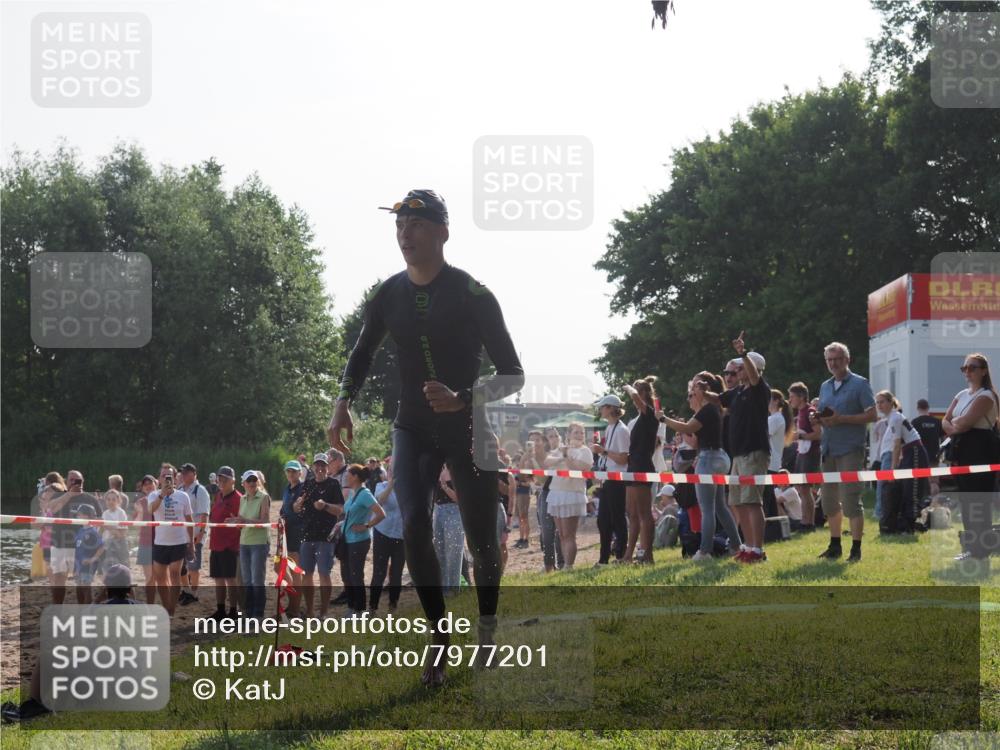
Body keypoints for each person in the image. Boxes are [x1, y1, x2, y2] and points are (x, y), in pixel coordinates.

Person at [329, 189, 523, 686]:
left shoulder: (472, 293)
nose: (404, 234)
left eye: (415, 225)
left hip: (469, 425)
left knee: (482, 541)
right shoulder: (387, 293)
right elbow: (361, 351)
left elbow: (513, 374)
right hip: (412, 425)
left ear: (442, 231)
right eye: (399, 226)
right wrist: (342, 402)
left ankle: (487, 631)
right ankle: (439, 639)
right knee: (413, 523)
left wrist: (463, 396)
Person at [704, 334, 771, 563]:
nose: (737, 372)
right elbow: (718, 398)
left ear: (752, 368)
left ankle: (758, 550)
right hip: (739, 454)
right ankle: (748, 546)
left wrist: (744, 353)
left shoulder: (758, 388)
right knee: (737, 502)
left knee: (752, 502)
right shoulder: (738, 392)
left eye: (740, 368)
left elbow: (753, 377)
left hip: (754, 451)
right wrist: (702, 391)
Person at [661, 372, 742, 561]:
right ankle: (737, 545)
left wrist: (663, 419)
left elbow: (688, 429)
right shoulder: (714, 409)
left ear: (705, 389)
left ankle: (705, 551)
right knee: (720, 507)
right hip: (720, 457)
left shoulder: (707, 409)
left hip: (708, 458)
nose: (692, 392)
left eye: (695, 387)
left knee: (707, 509)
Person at [812, 341, 877, 563]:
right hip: (828, 449)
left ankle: (856, 549)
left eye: (837, 359)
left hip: (850, 448)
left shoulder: (860, 384)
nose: (833, 364)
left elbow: (872, 415)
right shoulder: (824, 386)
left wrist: (842, 419)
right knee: (828, 502)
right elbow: (825, 413)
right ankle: (835, 545)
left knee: (850, 500)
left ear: (847, 360)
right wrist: (817, 417)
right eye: (829, 360)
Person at [942, 353, 1000, 565]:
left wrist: (956, 425)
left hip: (980, 450)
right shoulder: (961, 394)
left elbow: (964, 424)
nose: (967, 371)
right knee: (966, 500)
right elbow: (946, 422)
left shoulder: (986, 396)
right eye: (964, 368)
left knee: (978, 502)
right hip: (962, 450)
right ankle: (971, 548)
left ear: (983, 370)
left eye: (972, 367)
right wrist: (954, 425)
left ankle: (980, 551)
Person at [294, 453, 345, 618]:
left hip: (326, 537)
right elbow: (296, 508)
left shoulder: (333, 484)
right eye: (317, 465)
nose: (320, 468)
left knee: (324, 574)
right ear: (313, 467)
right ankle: (309, 611)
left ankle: (323, 612)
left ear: (327, 467)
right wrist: (297, 505)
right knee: (306, 574)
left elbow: (340, 510)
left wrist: (325, 506)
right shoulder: (307, 485)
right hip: (307, 535)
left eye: (323, 465)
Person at [335, 464, 385, 616]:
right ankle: (351, 607)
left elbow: (381, 514)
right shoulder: (352, 493)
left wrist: (366, 525)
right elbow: (347, 513)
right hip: (347, 540)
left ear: (355, 477)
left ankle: (359, 609)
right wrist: (341, 523)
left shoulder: (365, 494)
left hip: (359, 541)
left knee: (356, 575)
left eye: (348, 475)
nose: (346, 478)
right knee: (347, 575)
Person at [542, 422, 593, 569]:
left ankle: (569, 566)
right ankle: (565, 565)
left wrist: (565, 456)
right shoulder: (561, 449)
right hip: (556, 493)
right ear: (568, 435)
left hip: (572, 494)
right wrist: (561, 456)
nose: (579, 435)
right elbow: (546, 462)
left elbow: (579, 468)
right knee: (562, 534)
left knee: (569, 534)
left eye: (581, 433)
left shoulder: (585, 451)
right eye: (576, 432)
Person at [46, 470, 101, 605]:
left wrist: (92, 538)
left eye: (78, 480)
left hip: (82, 545)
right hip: (60, 543)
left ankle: (83, 611)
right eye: (71, 480)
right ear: (66, 482)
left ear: (83, 482)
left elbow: (100, 519)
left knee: (81, 580)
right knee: (59, 578)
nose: (75, 483)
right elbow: (50, 509)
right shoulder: (60, 496)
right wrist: (69, 494)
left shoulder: (90, 499)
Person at [623, 377, 659, 564]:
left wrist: (629, 388)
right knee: (632, 514)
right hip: (632, 466)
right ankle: (628, 555)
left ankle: (647, 555)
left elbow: (636, 397)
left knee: (644, 514)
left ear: (645, 393)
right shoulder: (637, 419)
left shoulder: (650, 414)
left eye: (638, 390)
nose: (633, 394)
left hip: (642, 466)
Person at [225, 470, 270, 620]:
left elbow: (265, 522)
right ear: (243, 483)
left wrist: (244, 521)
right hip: (244, 543)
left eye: (254, 480)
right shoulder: (243, 499)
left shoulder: (264, 497)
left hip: (259, 543)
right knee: (247, 580)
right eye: (249, 480)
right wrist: (236, 522)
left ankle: (258, 613)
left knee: (257, 580)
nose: (252, 483)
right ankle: (249, 612)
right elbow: (242, 523)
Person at [149, 467, 194, 616]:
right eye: (164, 476)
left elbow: (189, 520)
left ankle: (171, 609)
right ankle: (166, 605)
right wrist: (162, 494)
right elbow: (151, 510)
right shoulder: (154, 495)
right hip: (160, 542)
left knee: (175, 574)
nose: (167, 479)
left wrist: (191, 544)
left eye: (170, 476)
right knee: (160, 578)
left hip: (178, 541)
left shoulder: (183, 496)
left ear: (175, 478)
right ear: (159, 479)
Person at [591, 396, 630, 566]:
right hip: (609, 478)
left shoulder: (621, 430)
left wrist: (603, 451)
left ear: (610, 408)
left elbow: (623, 459)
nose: (600, 410)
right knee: (604, 520)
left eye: (602, 407)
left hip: (618, 480)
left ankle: (620, 556)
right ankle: (604, 558)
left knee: (617, 519)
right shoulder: (611, 427)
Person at [209, 466, 242, 623]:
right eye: (219, 479)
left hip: (230, 544)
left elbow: (241, 521)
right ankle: (221, 610)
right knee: (218, 578)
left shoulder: (238, 498)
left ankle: (234, 611)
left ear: (233, 480)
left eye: (225, 479)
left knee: (230, 579)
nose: (221, 482)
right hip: (216, 543)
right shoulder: (218, 496)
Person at [370, 466, 405, 612]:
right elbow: (379, 501)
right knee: (379, 571)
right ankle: (373, 607)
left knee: (396, 573)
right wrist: (391, 485)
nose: (393, 473)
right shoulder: (380, 486)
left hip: (401, 535)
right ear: (387, 473)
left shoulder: (407, 489)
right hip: (382, 533)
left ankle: (393, 604)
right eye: (391, 471)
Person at [788, 382, 820, 531]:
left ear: (801, 397)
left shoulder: (810, 411)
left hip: (810, 454)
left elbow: (819, 433)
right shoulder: (800, 412)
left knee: (806, 489)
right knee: (802, 488)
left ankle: (809, 522)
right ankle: (805, 520)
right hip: (802, 452)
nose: (790, 400)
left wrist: (801, 436)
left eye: (792, 396)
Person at [178, 463, 211, 606]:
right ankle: (186, 591)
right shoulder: (179, 489)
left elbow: (205, 514)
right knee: (181, 566)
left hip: (196, 533)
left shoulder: (200, 490)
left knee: (194, 566)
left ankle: (194, 593)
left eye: (186, 473)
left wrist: (201, 534)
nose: (183, 475)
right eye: (182, 473)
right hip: (180, 534)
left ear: (194, 473)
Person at [533, 429, 565, 572]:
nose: (553, 439)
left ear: (560, 437)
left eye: (555, 436)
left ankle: (563, 563)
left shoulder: (565, 452)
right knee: (547, 531)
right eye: (550, 436)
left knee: (561, 531)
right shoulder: (542, 456)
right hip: (546, 493)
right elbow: (540, 480)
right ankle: (549, 565)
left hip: (562, 492)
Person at [279, 460, 306, 618]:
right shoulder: (287, 489)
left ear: (300, 473)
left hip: (298, 532)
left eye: (294, 471)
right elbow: (286, 508)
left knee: (296, 572)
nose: (291, 474)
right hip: (287, 532)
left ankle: (295, 609)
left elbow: (298, 509)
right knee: (288, 570)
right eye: (288, 471)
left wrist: (288, 510)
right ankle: (292, 606)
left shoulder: (303, 488)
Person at [432, 467, 465, 595]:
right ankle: (443, 588)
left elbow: (460, 499)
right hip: (438, 511)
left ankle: (453, 588)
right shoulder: (435, 470)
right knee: (439, 550)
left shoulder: (456, 471)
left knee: (453, 552)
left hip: (454, 511)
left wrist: (444, 486)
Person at [874, 391, 904, 522]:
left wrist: (893, 467)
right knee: (883, 485)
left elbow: (897, 444)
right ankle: (884, 514)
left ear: (891, 402)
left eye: (882, 402)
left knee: (883, 486)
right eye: (877, 402)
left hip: (890, 456)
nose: (879, 405)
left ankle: (882, 514)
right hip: (887, 456)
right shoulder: (890, 418)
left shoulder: (896, 418)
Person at [765, 389, 794, 517]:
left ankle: (771, 527)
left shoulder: (775, 419)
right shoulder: (776, 418)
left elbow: (763, 435)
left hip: (770, 463)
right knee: (770, 498)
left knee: (767, 498)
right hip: (773, 462)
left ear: (776, 401)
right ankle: (774, 527)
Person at [132, 475, 158, 604]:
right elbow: (135, 525)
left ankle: (168, 606)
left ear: (156, 484)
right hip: (146, 543)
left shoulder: (163, 498)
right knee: (149, 578)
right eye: (145, 484)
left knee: (163, 577)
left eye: (150, 483)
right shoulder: (140, 502)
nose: (148, 485)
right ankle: (151, 604)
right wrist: (141, 513)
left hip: (162, 542)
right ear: (142, 488)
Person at [73, 504, 104, 604]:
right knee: (79, 586)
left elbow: (101, 547)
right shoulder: (81, 530)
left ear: (86, 516)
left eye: (79, 515)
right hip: (78, 563)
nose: (77, 517)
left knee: (86, 587)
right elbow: (77, 547)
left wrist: (93, 559)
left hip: (88, 564)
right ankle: (81, 608)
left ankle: (87, 610)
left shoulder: (93, 532)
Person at [100, 489, 130, 570]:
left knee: (123, 563)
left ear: (118, 500)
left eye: (113, 499)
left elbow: (122, 532)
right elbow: (103, 528)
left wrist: (109, 527)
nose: (111, 502)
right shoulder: (105, 513)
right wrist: (113, 528)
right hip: (108, 542)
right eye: (108, 499)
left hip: (120, 542)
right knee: (110, 565)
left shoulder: (121, 512)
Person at [912, 398, 944, 467]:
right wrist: (941, 450)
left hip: (920, 456)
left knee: (921, 476)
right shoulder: (937, 421)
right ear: (928, 408)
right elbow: (944, 438)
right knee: (934, 476)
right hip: (934, 455)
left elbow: (911, 440)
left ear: (917, 408)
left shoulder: (914, 422)